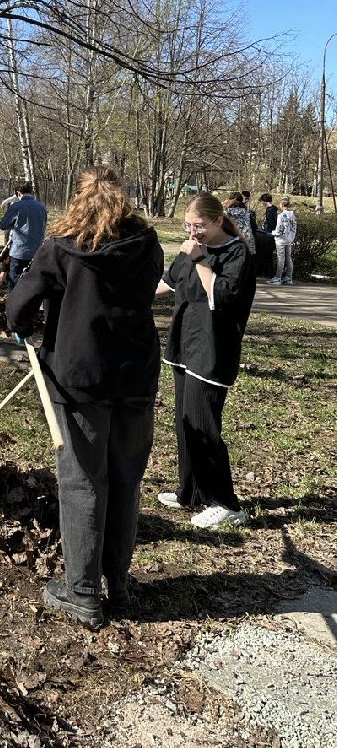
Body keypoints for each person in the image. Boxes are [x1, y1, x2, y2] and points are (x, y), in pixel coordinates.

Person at [6, 167, 163, 627]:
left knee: (82, 480)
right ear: (124, 199)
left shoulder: (60, 248)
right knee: (124, 477)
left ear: (79, 201)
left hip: (81, 378)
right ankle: (118, 584)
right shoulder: (147, 244)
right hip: (135, 375)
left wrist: (25, 324)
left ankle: (83, 591)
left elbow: (19, 307)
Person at [155, 192, 255, 530]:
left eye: (199, 226)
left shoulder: (235, 253)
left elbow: (222, 296)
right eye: (188, 225)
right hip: (185, 346)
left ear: (217, 220)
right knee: (185, 422)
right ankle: (191, 492)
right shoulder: (191, 249)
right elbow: (168, 284)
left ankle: (226, 503)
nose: (193, 231)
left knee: (203, 424)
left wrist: (200, 258)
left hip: (213, 351)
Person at [0, 181, 47, 290]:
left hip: (19, 252)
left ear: (19, 193)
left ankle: (14, 305)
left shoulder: (16, 206)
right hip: (37, 252)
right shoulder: (42, 207)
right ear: (31, 192)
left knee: (15, 284)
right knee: (33, 285)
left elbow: (2, 225)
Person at [268, 196, 297, 285]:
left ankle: (277, 278)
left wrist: (272, 233)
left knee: (281, 259)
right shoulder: (292, 215)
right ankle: (288, 277)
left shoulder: (281, 215)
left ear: (282, 205)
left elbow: (279, 229)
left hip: (280, 240)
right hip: (289, 239)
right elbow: (294, 227)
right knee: (288, 258)